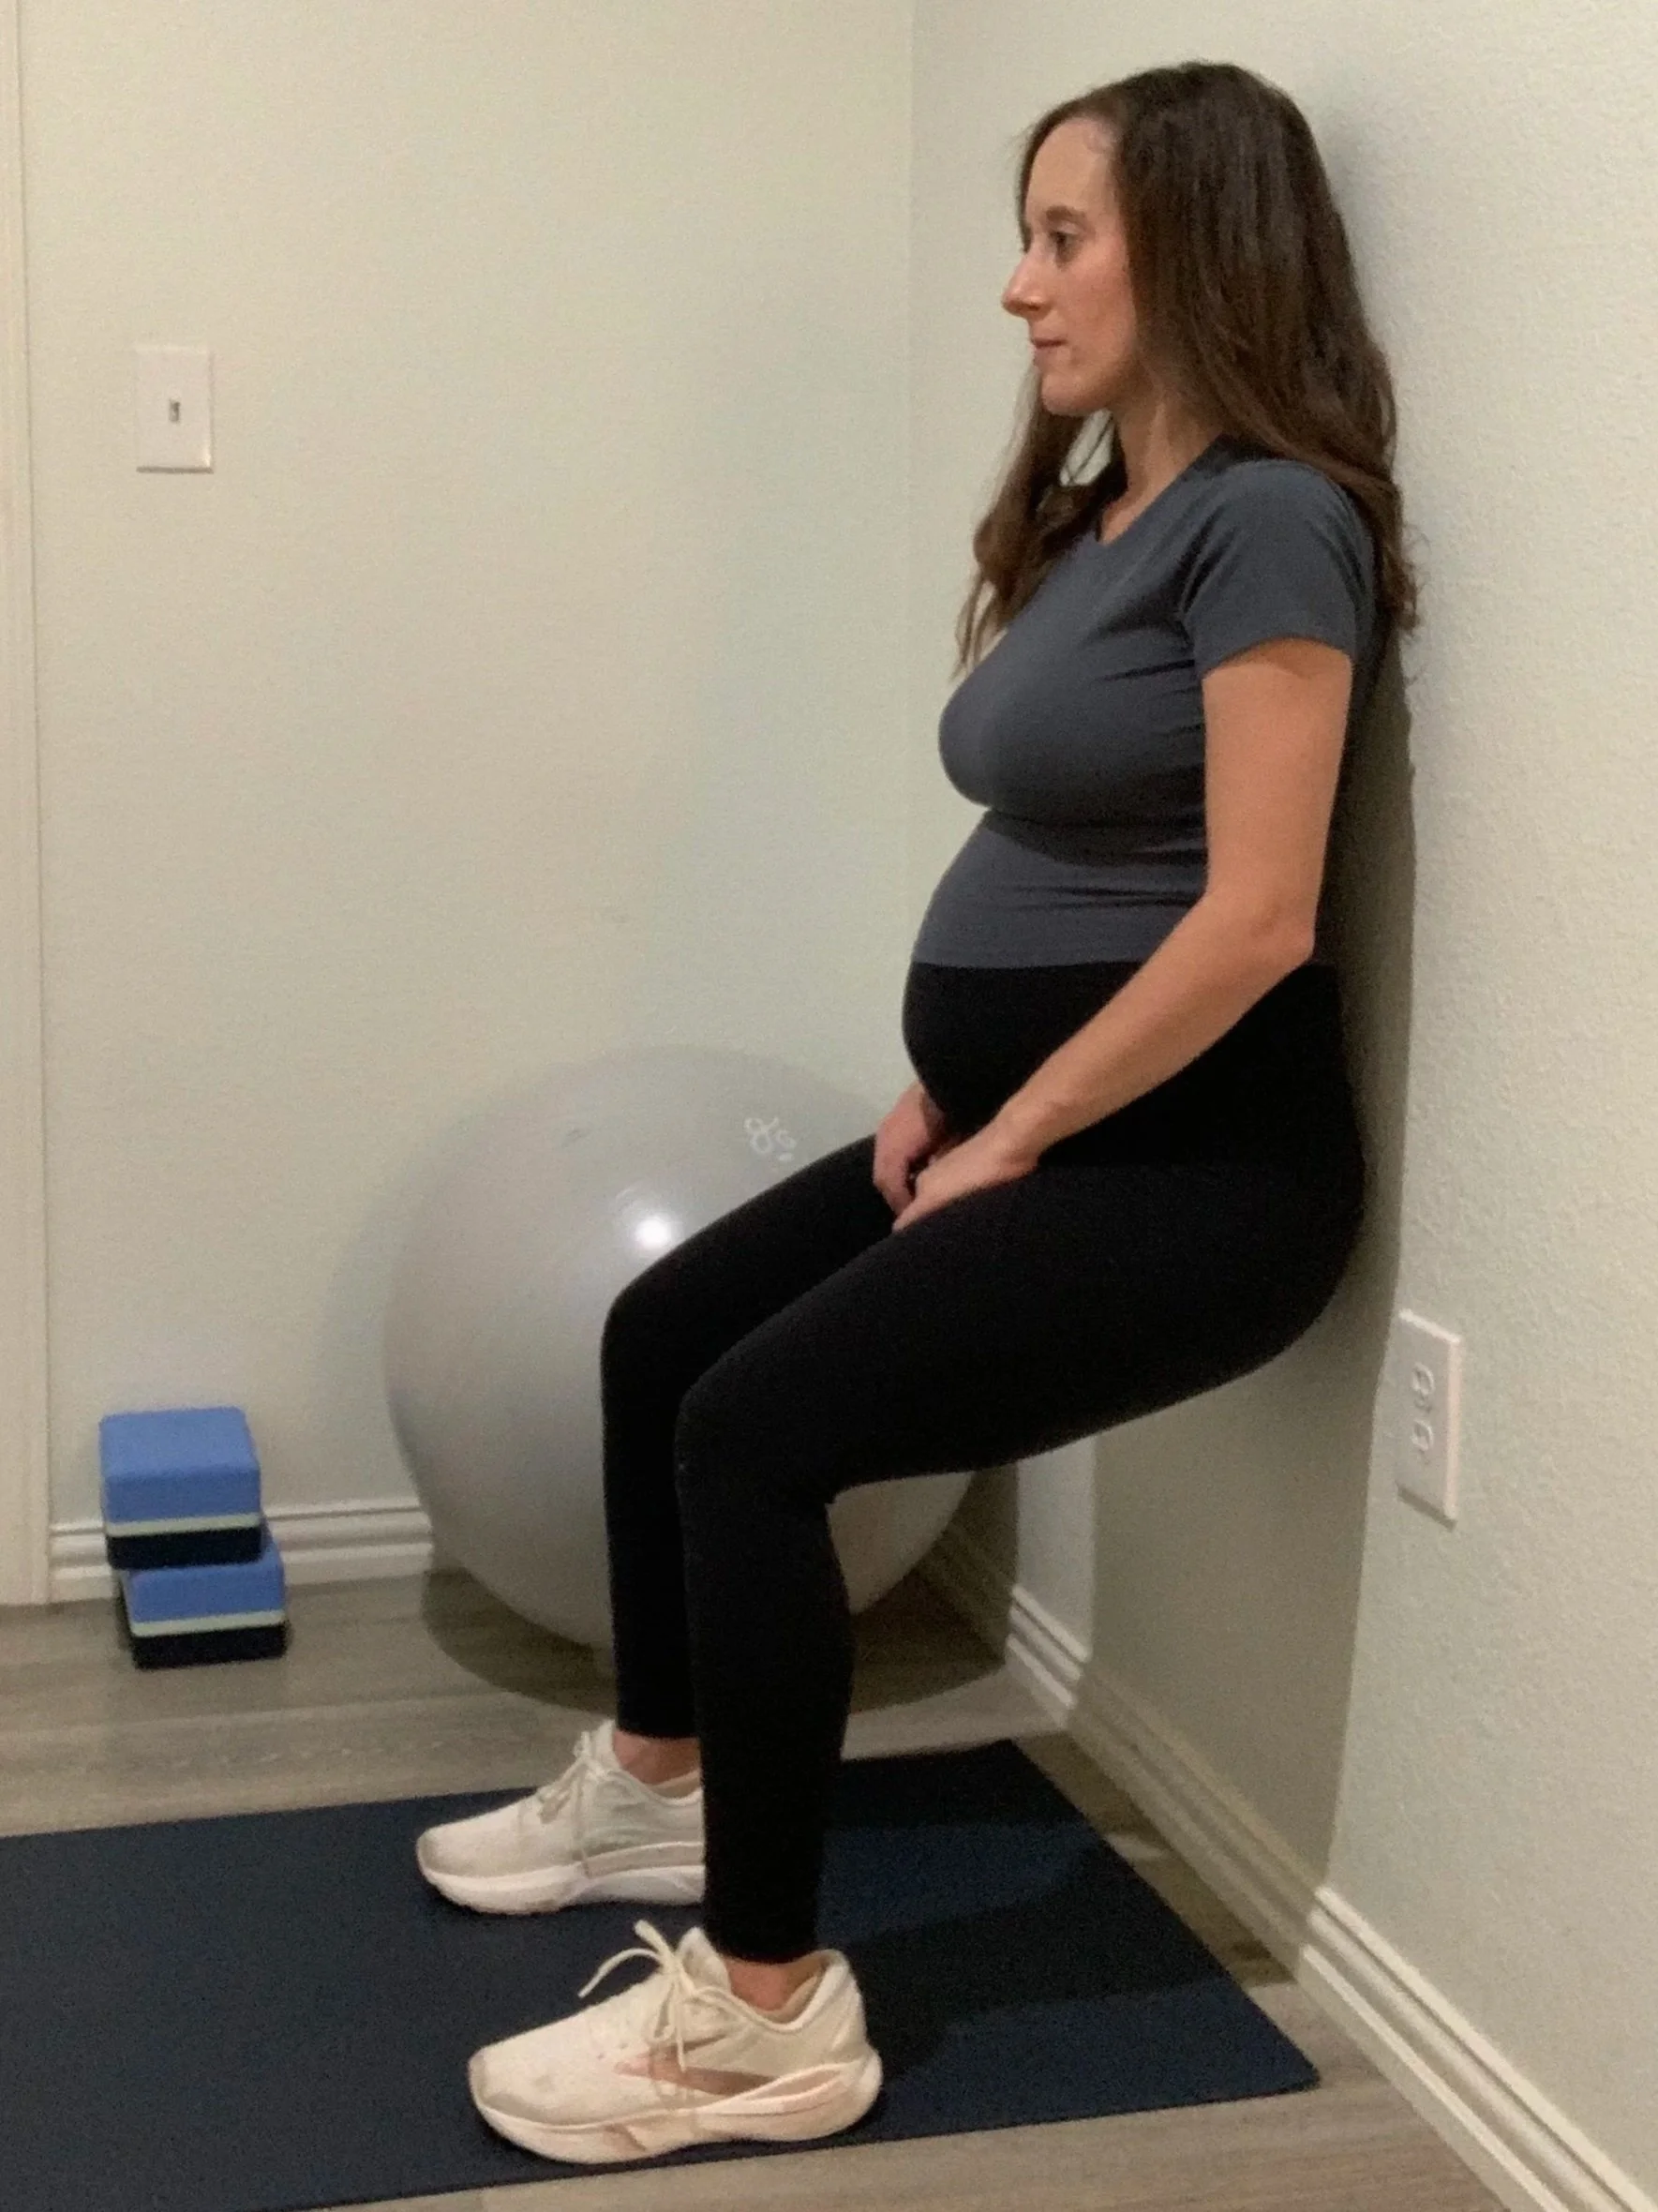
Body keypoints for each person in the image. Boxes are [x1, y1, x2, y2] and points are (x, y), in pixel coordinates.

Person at [417, 59, 1419, 2167]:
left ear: (1202, 250)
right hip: (1028, 1117)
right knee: (659, 1330)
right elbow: (1083, 863)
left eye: (1063, 240)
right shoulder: (1102, 517)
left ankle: (767, 2017)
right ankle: (658, 1776)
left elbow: (1247, 920)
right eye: (1027, 236)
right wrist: (946, 1081)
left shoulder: (1274, 520)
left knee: (752, 1432)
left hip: (1200, 1171)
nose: (1017, 288)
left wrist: (1020, 1120)